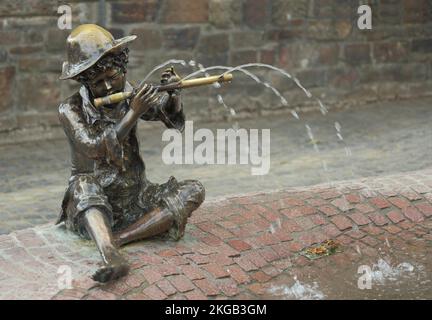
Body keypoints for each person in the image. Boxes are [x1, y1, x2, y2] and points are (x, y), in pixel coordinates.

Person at [57, 24, 205, 283]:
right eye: (97, 82)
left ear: (122, 68)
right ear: (85, 82)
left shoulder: (128, 90)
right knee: (82, 185)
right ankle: (109, 253)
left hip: (135, 194)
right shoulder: (70, 109)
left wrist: (173, 95)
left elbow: (164, 115)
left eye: (112, 77)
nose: (108, 86)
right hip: (95, 201)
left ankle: (119, 240)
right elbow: (94, 148)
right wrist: (133, 112)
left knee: (193, 190)